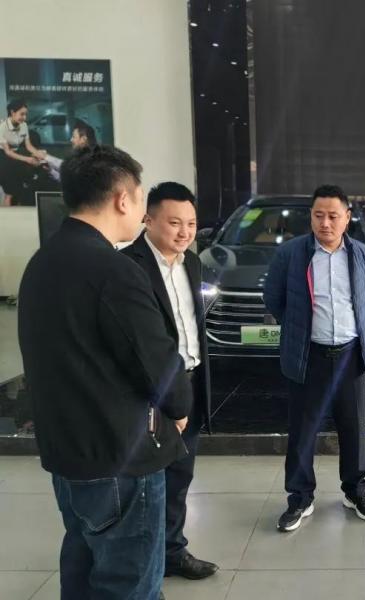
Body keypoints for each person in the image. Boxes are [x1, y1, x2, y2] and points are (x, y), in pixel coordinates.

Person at [17, 145, 192, 600]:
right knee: (129, 585)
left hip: (67, 453)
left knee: (83, 573)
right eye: (140, 197)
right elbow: (156, 361)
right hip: (119, 458)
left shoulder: (42, 262)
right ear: (122, 199)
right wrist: (178, 409)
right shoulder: (114, 270)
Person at [263, 184, 365, 532]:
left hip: (349, 355)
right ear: (310, 217)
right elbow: (273, 298)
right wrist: (297, 327)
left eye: (333, 216)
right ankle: (300, 497)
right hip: (308, 355)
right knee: (303, 430)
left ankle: (355, 491)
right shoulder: (291, 254)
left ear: (347, 218)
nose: (325, 223)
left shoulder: (360, 254)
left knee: (353, 428)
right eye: (318, 215)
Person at [121, 182, 219, 580]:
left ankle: (172, 552)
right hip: (151, 393)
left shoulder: (191, 263)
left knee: (180, 475)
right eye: (175, 223)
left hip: (189, 383)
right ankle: (141, 561)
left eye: (191, 224)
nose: (185, 232)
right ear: (148, 219)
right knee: (146, 483)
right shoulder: (128, 267)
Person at [0, 99, 47, 206]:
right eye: (22, 114)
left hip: (17, 156)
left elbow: (29, 146)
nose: (24, 117)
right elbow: (8, 152)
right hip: (3, 157)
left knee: (21, 189)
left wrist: (40, 155)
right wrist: (28, 159)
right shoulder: (2, 127)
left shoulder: (24, 125)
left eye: (26, 114)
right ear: (12, 112)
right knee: (10, 193)